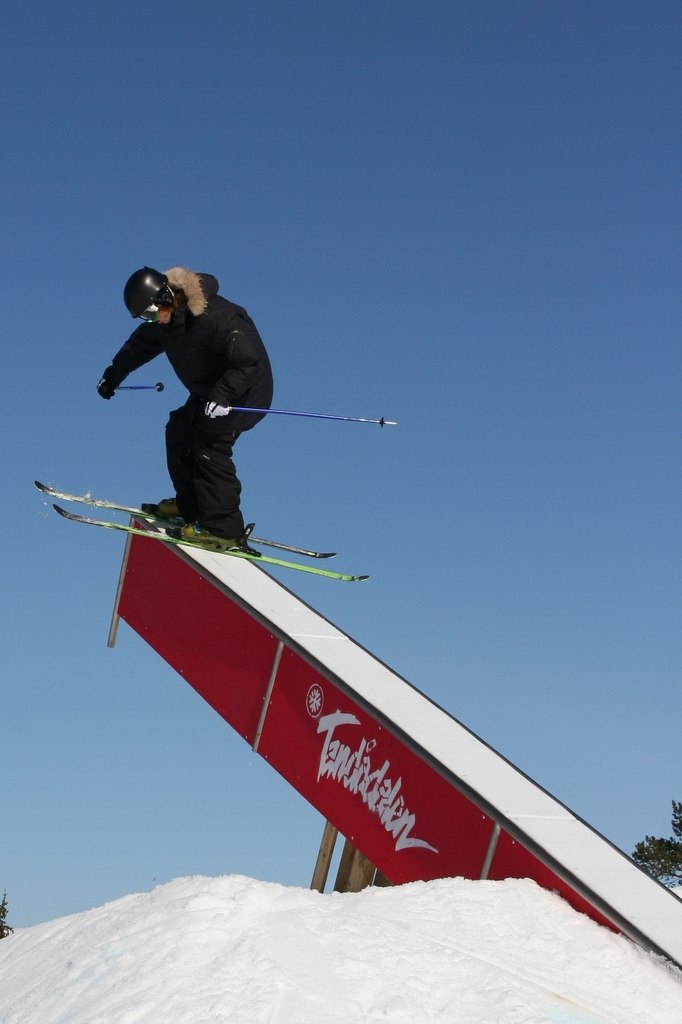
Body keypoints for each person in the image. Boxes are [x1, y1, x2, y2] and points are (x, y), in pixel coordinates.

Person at [97, 266, 273, 548]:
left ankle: (223, 528)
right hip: (210, 389)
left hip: (244, 392)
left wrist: (225, 395)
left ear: (167, 296)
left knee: (209, 446)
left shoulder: (217, 318)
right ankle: (190, 506)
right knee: (178, 431)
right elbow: (139, 346)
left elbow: (249, 360)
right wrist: (112, 376)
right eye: (144, 316)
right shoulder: (165, 323)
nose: (151, 320)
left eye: (151, 313)